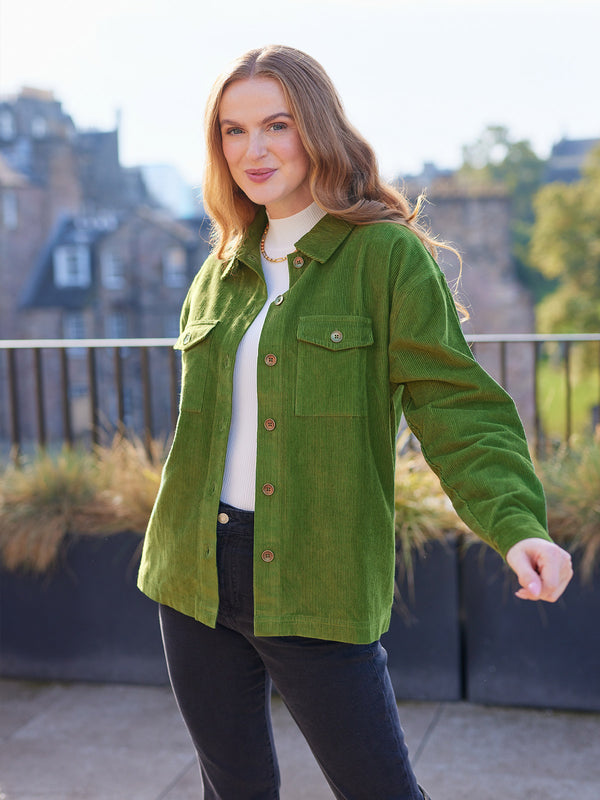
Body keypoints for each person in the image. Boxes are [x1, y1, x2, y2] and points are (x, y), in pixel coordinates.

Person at [137, 45, 573, 800]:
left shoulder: (386, 257)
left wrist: (517, 523)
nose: (255, 149)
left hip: (319, 577)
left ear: (316, 128)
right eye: (233, 132)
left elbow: (456, 405)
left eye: (276, 124)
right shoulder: (219, 268)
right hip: (192, 577)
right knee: (231, 789)